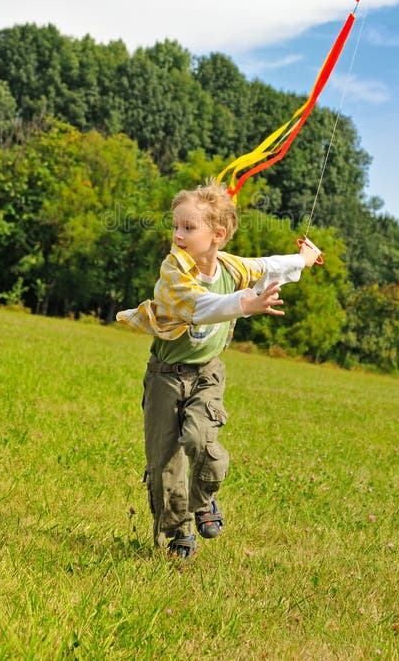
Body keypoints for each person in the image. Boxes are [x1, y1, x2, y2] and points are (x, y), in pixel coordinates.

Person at [116, 180, 322, 560]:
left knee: (200, 442)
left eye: (188, 228)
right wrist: (245, 304)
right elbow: (201, 306)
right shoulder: (174, 272)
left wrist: (304, 259)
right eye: (175, 225)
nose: (177, 234)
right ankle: (179, 533)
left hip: (206, 374)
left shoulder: (231, 267)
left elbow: (270, 266)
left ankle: (204, 499)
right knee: (164, 462)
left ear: (218, 235)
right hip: (164, 375)